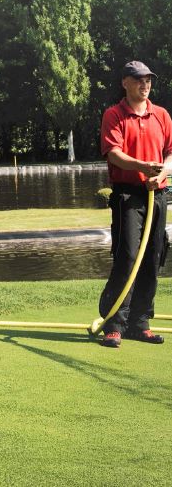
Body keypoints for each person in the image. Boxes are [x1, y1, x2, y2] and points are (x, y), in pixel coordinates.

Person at [98, 60, 172, 348]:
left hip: (158, 193)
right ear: (125, 83)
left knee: (154, 256)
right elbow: (114, 154)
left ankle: (140, 323)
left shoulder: (162, 115)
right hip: (128, 195)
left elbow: (170, 154)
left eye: (148, 80)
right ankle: (114, 324)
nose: (145, 84)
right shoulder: (114, 115)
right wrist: (144, 167)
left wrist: (163, 172)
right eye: (139, 79)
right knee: (128, 255)